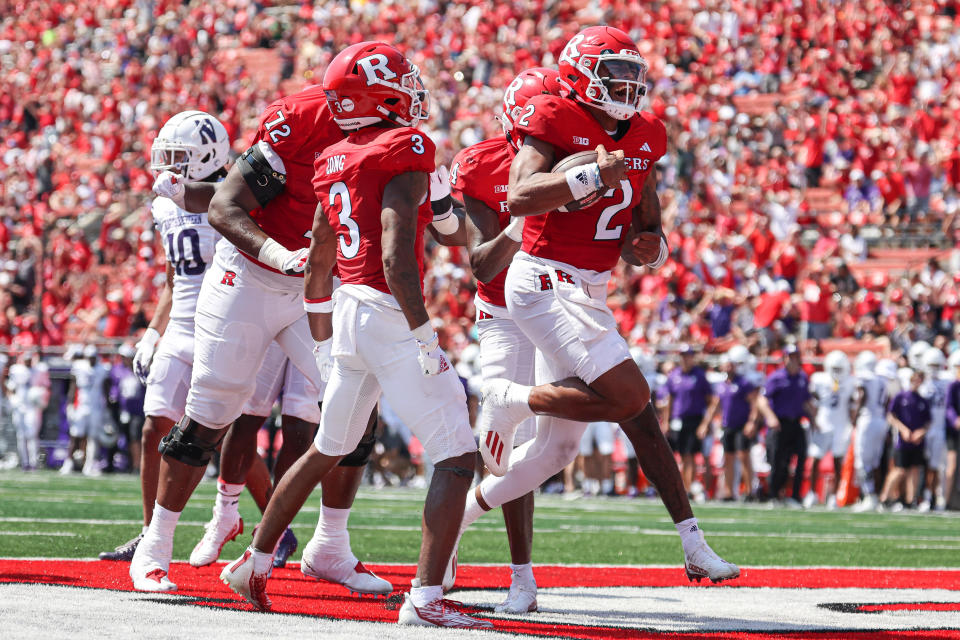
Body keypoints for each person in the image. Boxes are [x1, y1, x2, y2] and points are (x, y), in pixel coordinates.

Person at [220, 41, 490, 629]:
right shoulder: (406, 146)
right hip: (389, 313)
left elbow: (318, 260)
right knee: (456, 457)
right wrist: (422, 333)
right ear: (380, 95)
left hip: (344, 311)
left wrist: (321, 336)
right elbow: (396, 255)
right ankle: (424, 599)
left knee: (329, 446)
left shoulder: (332, 156)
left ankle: (255, 560)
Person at [466, 26, 737, 583]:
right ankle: (514, 398)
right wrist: (589, 173)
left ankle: (463, 514)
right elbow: (519, 196)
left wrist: (652, 247)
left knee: (556, 452)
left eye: (633, 75)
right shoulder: (554, 119)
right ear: (578, 75)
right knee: (632, 400)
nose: (627, 86)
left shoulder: (645, 134)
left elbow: (647, 216)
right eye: (615, 74)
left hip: (589, 286)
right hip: (546, 279)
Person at [127, 101, 392, 595]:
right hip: (249, 276)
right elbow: (225, 203)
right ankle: (155, 546)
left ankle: (330, 547)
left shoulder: (389, 139)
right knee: (213, 405)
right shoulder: (302, 122)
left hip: (311, 284)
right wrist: (275, 253)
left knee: (357, 399)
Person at [100, 110, 275, 564]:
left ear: (207, 156)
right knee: (153, 424)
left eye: (180, 158)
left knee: (221, 432)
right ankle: (148, 532)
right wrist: (151, 333)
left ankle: (278, 522)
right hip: (180, 324)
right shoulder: (162, 203)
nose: (169, 167)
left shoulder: (235, 193)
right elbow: (174, 276)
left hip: (225, 320)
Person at [445, 66, 563, 614]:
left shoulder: (577, 156)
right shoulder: (480, 163)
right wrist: (524, 215)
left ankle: (477, 530)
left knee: (549, 448)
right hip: (502, 311)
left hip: (556, 307)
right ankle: (514, 572)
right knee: (497, 437)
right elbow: (482, 263)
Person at [663, 345, 719, 500]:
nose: (686, 358)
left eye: (688, 355)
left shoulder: (700, 376)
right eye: (683, 355)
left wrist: (705, 423)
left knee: (689, 455)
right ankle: (681, 488)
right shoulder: (674, 375)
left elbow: (711, 401)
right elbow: (670, 400)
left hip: (694, 420)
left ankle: (688, 488)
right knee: (677, 456)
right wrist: (666, 421)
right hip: (677, 420)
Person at [762, 345, 815, 504]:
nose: (792, 360)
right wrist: (771, 418)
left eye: (795, 357)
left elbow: (806, 401)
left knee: (801, 457)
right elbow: (762, 400)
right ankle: (774, 494)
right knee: (778, 461)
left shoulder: (802, 377)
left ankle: (795, 496)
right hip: (779, 424)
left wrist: (815, 419)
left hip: (797, 423)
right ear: (784, 359)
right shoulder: (776, 377)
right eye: (789, 357)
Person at [805, 350, 856, 509]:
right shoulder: (819, 380)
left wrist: (852, 423)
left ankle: (834, 495)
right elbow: (812, 400)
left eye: (840, 369)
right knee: (815, 458)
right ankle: (812, 493)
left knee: (837, 461)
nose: (837, 373)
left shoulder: (850, 382)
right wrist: (814, 419)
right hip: (823, 422)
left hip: (841, 424)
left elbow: (852, 405)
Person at [880, 369, 931, 509]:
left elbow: (928, 421)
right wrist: (903, 429)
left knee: (914, 470)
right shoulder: (901, 396)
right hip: (902, 441)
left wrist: (922, 432)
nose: (916, 382)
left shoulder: (922, 400)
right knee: (899, 469)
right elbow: (891, 416)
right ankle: (885, 498)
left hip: (917, 441)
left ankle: (911, 500)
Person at [851, 353, 896, 512]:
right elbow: (887, 402)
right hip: (880, 420)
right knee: (876, 462)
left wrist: (854, 416)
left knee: (862, 461)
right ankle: (875, 497)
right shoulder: (882, 380)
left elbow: (862, 396)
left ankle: (869, 495)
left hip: (867, 420)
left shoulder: (866, 377)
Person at [716, 346, 759, 501]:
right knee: (728, 458)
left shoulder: (744, 383)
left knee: (743, 456)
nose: (728, 367)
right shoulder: (722, 385)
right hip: (728, 425)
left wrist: (752, 422)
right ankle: (729, 491)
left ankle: (749, 490)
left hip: (742, 425)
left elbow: (754, 404)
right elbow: (716, 405)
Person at [63, 345, 110, 476]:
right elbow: (73, 386)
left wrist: (106, 406)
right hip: (81, 406)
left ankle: (89, 464)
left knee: (93, 437)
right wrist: (70, 404)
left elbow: (106, 388)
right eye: (89, 357)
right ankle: (68, 463)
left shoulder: (102, 369)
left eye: (93, 358)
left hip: (96, 407)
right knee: (75, 435)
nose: (91, 360)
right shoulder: (79, 367)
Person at [917, 347, 949, 511]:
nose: (934, 368)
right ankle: (918, 497)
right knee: (920, 465)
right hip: (923, 430)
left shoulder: (947, 381)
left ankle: (932, 497)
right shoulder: (920, 383)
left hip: (940, 429)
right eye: (931, 364)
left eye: (937, 364)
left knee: (936, 466)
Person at [7, 352, 49, 470]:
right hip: (20, 406)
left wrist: (42, 399)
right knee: (21, 435)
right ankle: (25, 463)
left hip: (32, 407)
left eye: (30, 360)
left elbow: (46, 387)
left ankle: (33, 462)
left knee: (32, 435)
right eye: (26, 360)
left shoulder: (39, 371)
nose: (28, 362)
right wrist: (12, 400)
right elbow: (10, 388)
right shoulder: (17, 371)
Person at [945, 350, 960, 509]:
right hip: (953, 432)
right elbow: (949, 407)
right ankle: (946, 501)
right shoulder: (953, 385)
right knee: (952, 466)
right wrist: (955, 419)